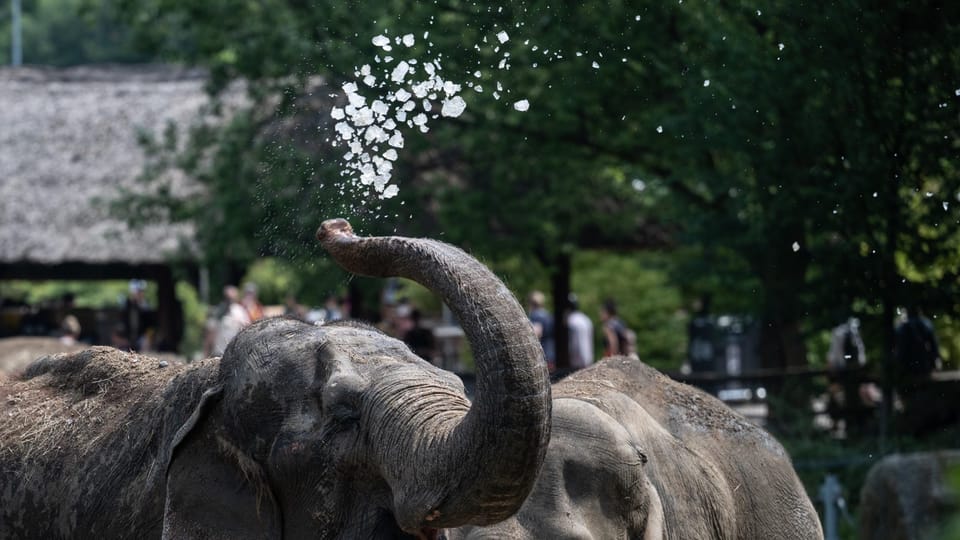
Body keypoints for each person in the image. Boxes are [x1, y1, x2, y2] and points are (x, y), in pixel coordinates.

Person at [895, 306, 942, 377]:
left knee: (910, 381)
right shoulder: (926, 323)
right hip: (924, 358)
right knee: (924, 380)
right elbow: (933, 343)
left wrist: (898, 360)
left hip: (908, 360)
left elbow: (899, 345)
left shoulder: (903, 326)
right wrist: (935, 357)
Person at [212, 285, 251, 356]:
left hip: (234, 352)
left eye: (231, 298)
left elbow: (247, 327)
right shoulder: (218, 311)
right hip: (219, 352)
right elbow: (211, 332)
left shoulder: (239, 310)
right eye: (227, 298)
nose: (229, 300)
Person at [527, 291, 555, 368]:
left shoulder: (535, 316)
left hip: (543, 355)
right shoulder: (548, 315)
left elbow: (537, 333)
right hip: (552, 353)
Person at [566, 294, 594, 369]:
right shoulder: (585, 319)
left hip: (576, 361)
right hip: (588, 359)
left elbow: (573, 343)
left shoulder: (571, 320)